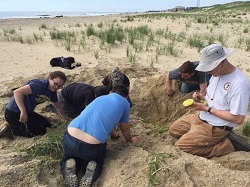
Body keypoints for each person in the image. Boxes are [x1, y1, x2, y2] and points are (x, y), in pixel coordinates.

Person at [169, 43, 250, 158]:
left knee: (180, 147)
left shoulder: (238, 84)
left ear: (222, 61)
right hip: (201, 117)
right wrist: (202, 98)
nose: (207, 72)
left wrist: (208, 109)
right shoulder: (216, 75)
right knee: (174, 130)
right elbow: (214, 98)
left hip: (215, 127)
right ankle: (198, 137)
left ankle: (226, 145)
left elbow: (238, 119)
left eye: (210, 67)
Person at [60, 85, 138, 187]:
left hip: (70, 137)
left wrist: (113, 134)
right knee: (98, 159)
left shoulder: (100, 98)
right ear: (127, 96)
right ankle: (91, 171)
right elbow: (124, 128)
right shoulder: (125, 104)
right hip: (91, 146)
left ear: (111, 92)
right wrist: (130, 140)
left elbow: (100, 118)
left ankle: (69, 166)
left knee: (68, 156)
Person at [0, 71, 70, 140]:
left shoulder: (52, 92)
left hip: (28, 112)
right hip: (13, 112)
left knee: (47, 124)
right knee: (40, 132)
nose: (56, 87)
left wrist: (65, 119)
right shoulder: (40, 85)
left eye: (59, 86)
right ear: (50, 78)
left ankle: (15, 125)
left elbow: (58, 106)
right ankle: (10, 130)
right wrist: (23, 112)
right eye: (55, 83)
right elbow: (17, 92)